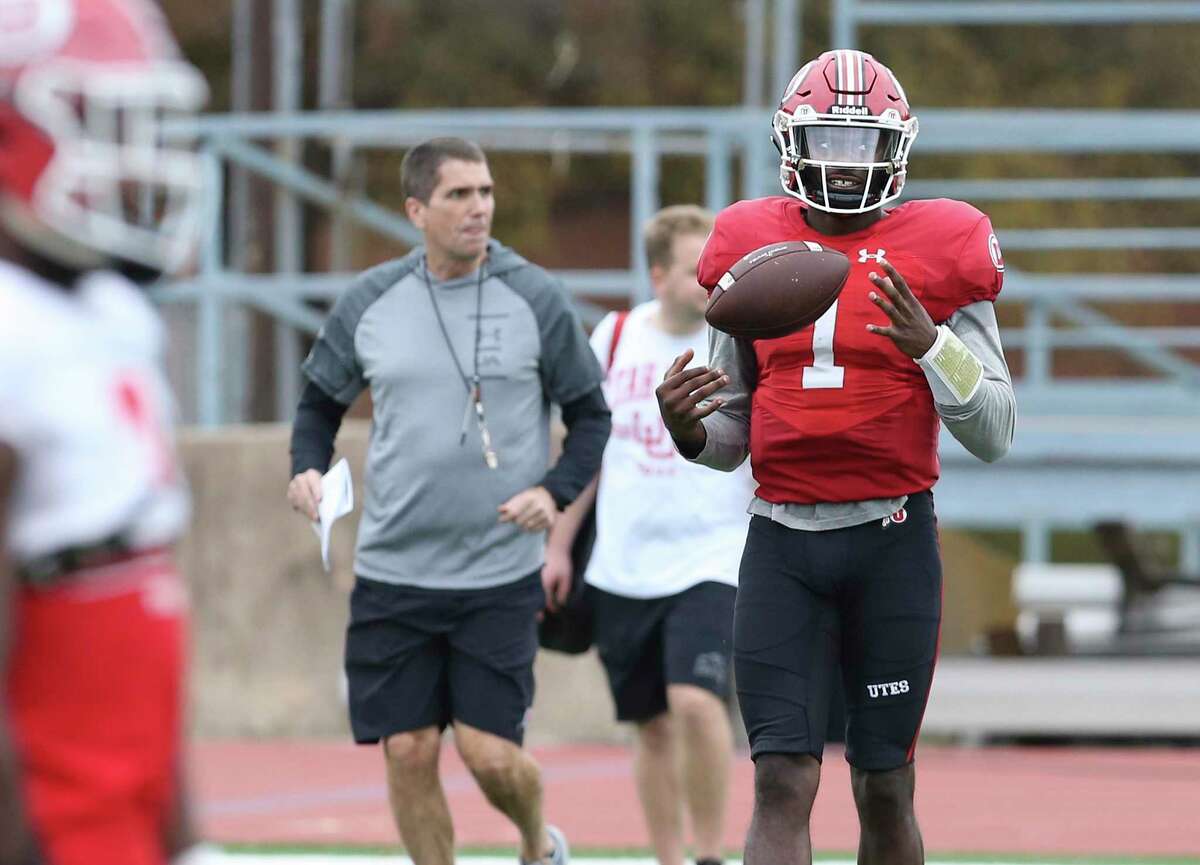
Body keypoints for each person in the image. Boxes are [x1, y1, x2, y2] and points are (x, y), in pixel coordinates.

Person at [655, 50, 1016, 865]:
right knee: (781, 777)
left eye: (861, 146)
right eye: (827, 143)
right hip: (781, 539)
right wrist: (688, 433)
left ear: (896, 148)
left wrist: (933, 348)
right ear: (791, 141)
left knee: (884, 783)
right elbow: (732, 434)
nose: (843, 167)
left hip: (890, 540)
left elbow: (995, 431)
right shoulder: (751, 247)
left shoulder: (944, 246)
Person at [286, 137, 610, 865]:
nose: (479, 208)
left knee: (492, 755)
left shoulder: (536, 296)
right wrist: (306, 469)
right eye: (459, 195)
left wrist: (551, 494)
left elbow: (593, 418)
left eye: (485, 192)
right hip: (393, 570)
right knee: (406, 747)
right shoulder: (370, 301)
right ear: (416, 210)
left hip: (496, 573)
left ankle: (536, 842)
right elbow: (316, 409)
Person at [0, 1, 212, 863]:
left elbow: (146, 613)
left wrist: (183, 836)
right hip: (50, 821)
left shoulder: (112, 314)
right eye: (93, 120)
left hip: (128, 805)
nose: (136, 158)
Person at [544, 205, 753, 865]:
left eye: (715, 268)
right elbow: (591, 450)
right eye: (696, 269)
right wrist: (557, 543)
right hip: (623, 562)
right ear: (657, 273)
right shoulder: (614, 336)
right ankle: (668, 856)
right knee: (649, 723)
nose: (708, 281)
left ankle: (711, 851)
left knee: (696, 699)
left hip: (713, 557)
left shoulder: (739, 340)